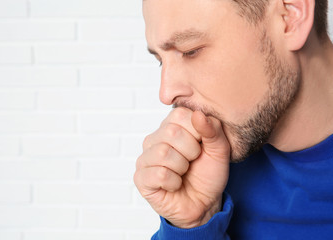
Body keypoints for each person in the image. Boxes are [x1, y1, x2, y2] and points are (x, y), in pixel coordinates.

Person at [133, 0, 333, 239]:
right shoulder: (207, 173)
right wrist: (194, 225)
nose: (165, 94)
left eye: (190, 51)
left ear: (291, 16)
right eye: (160, 61)